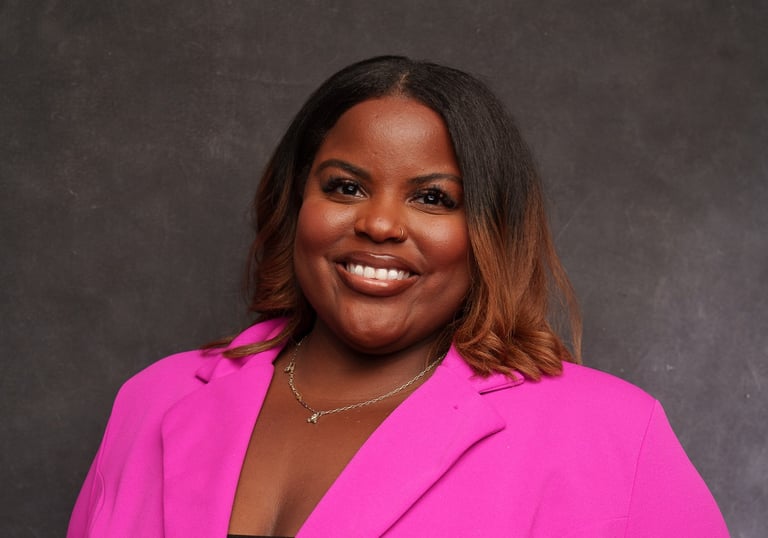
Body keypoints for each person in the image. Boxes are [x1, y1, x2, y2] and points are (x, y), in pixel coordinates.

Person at [67, 56, 728, 537]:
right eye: (346, 187)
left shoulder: (612, 435)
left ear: (490, 231)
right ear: (295, 203)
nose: (380, 223)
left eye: (433, 198)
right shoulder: (153, 400)